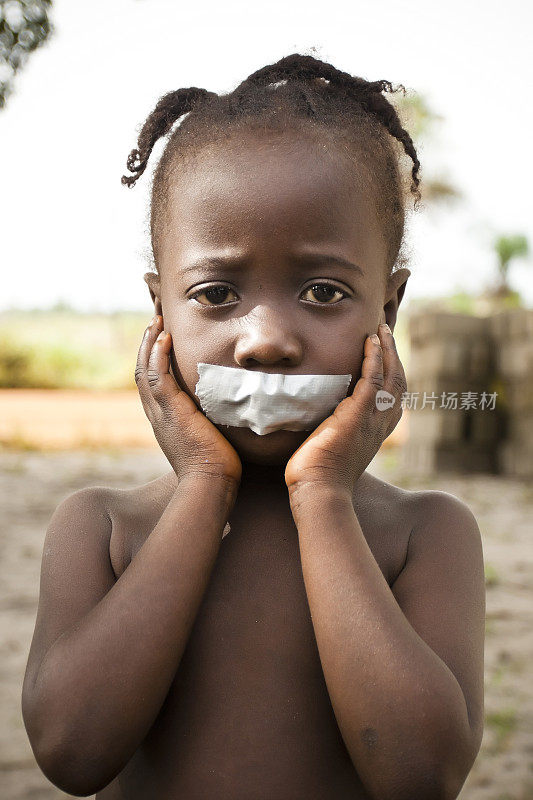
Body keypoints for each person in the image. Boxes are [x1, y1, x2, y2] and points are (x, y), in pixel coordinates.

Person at [21, 53, 485, 800]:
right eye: (215, 293)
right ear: (160, 311)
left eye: (323, 290)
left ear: (388, 309)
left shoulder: (425, 534)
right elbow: (72, 754)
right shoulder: (101, 527)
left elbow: (419, 776)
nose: (264, 339)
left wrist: (323, 495)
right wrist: (204, 485)